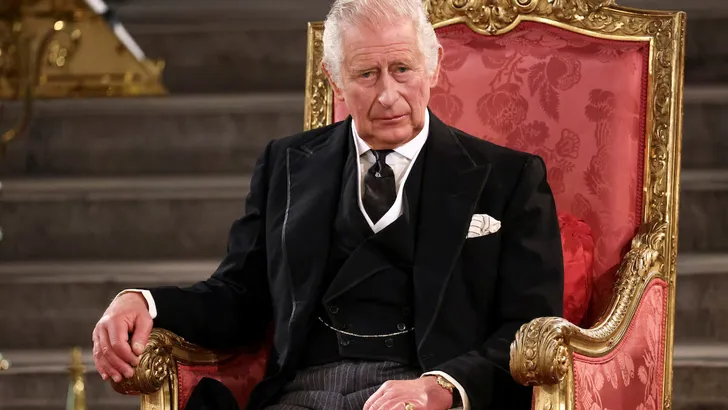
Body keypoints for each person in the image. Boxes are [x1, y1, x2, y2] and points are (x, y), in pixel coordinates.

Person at [92, 0, 564, 409]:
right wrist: (145, 302)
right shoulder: (286, 164)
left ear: (435, 64)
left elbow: (530, 327)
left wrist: (444, 387)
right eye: (365, 74)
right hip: (303, 393)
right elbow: (239, 295)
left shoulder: (509, 177)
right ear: (334, 79)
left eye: (402, 69)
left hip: (424, 393)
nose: (387, 95)